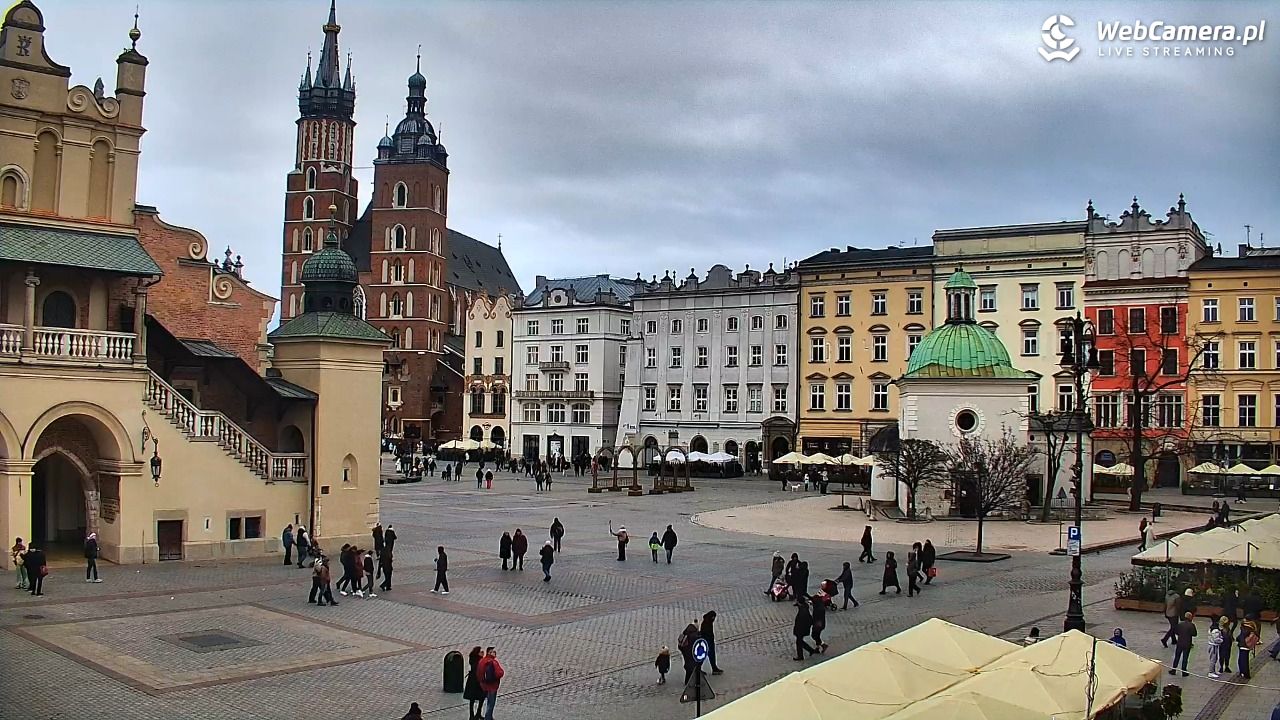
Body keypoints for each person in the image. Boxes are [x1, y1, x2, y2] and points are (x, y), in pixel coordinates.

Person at [477, 647, 504, 720]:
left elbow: (479, 673)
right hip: (492, 686)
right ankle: (488, 717)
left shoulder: (482, 661)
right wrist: (502, 672)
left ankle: (489, 717)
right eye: (493, 652)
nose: (494, 653)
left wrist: (481, 682)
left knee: (488, 701)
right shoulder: (493, 662)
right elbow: (499, 673)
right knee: (491, 703)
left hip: (484, 685)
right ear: (489, 652)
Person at [1170, 612, 1196, 677]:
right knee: (1185, 658)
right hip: (1187, 643)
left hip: (1180, 642)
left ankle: (1174, 669)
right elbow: (1194, 634)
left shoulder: (1180, 624)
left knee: (1177, 656)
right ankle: (1183, 671)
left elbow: (1176, 632)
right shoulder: (1191, 625)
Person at [463, 646, 486, 720]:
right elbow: (477, 668)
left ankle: (477, 713)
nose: (482, 652)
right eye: (480, 651)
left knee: (480, 698)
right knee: (474, 698)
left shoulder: (476, 659)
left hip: (474, 681)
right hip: (475, 682)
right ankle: (472, 715)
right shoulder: (476, 661)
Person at [701, 610, 723, 675]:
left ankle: (713, 668)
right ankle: (713, 668)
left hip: (707, 642)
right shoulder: (707, 623)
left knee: (707, 656)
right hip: (707, 642)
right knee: (706, 656)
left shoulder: (707, 621)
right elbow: (707, 633)